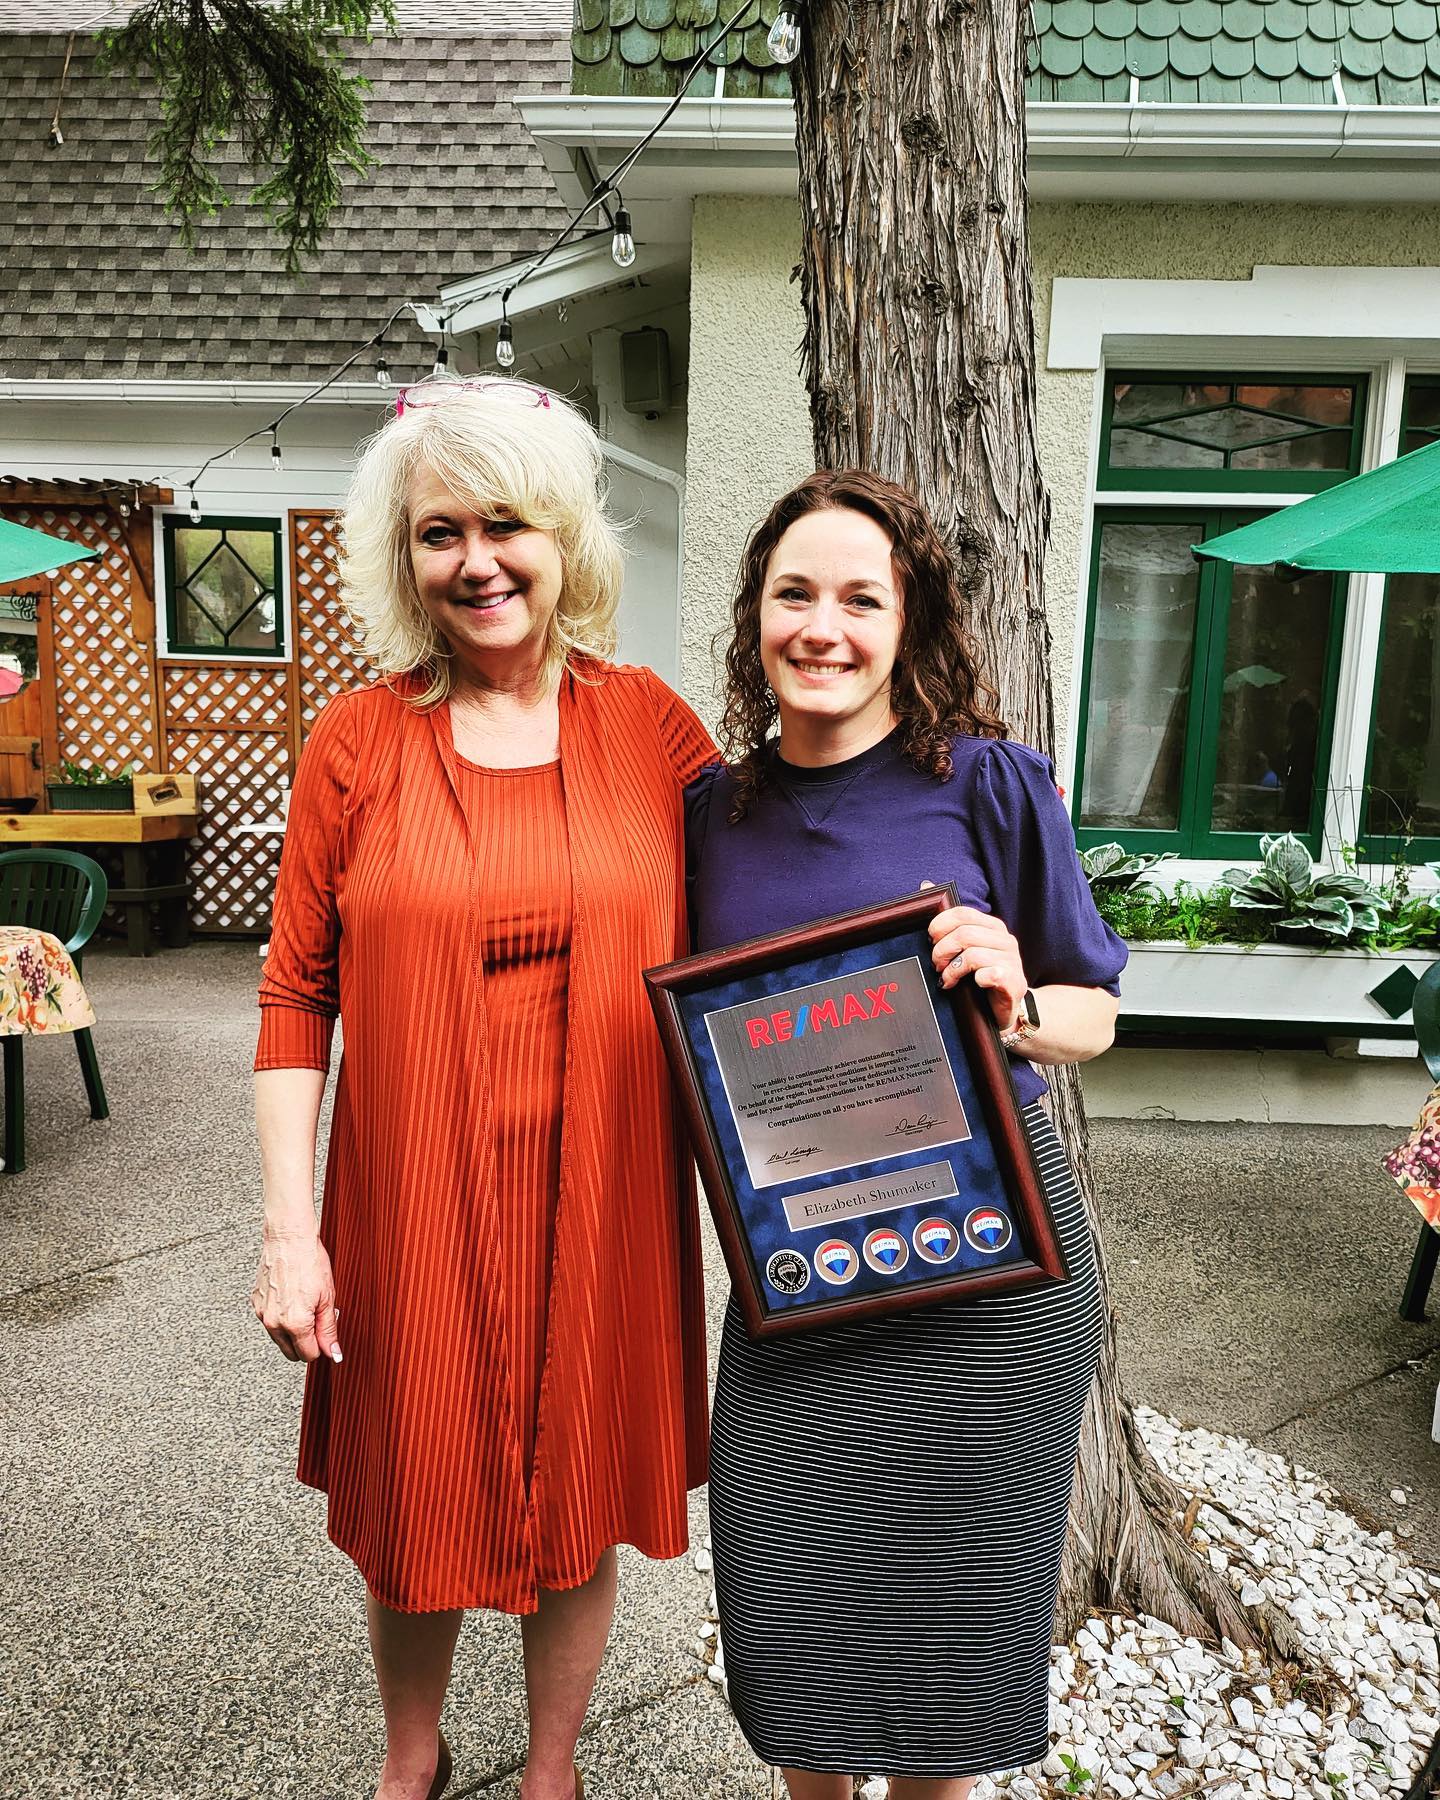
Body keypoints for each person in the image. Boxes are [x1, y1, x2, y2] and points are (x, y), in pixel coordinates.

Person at [250, 378, 714, 1800]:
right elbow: (293, 999)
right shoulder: (358, 743)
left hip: (610, 1184)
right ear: (409, 558)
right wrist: (289, 1231)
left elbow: (786, 910)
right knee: (418, 1483)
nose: (478, 561)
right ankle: (413, 1756)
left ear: (564, 534)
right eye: (440, 531)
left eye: (506, 522)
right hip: (410, 1187)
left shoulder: (654, 732)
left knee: (575, 1479)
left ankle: (553, 1767)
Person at [685, 470, 1127, 1800]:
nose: (824, 626)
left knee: (949, 1662)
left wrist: (1017, 994)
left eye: (860, 599)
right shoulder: (714, 812)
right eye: (795, 595)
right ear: (755, 619)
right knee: (793, 1630)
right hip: (802, 1269)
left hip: (995, 1271)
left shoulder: (987, 783)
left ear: (909, 624)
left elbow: (1093, 1012)